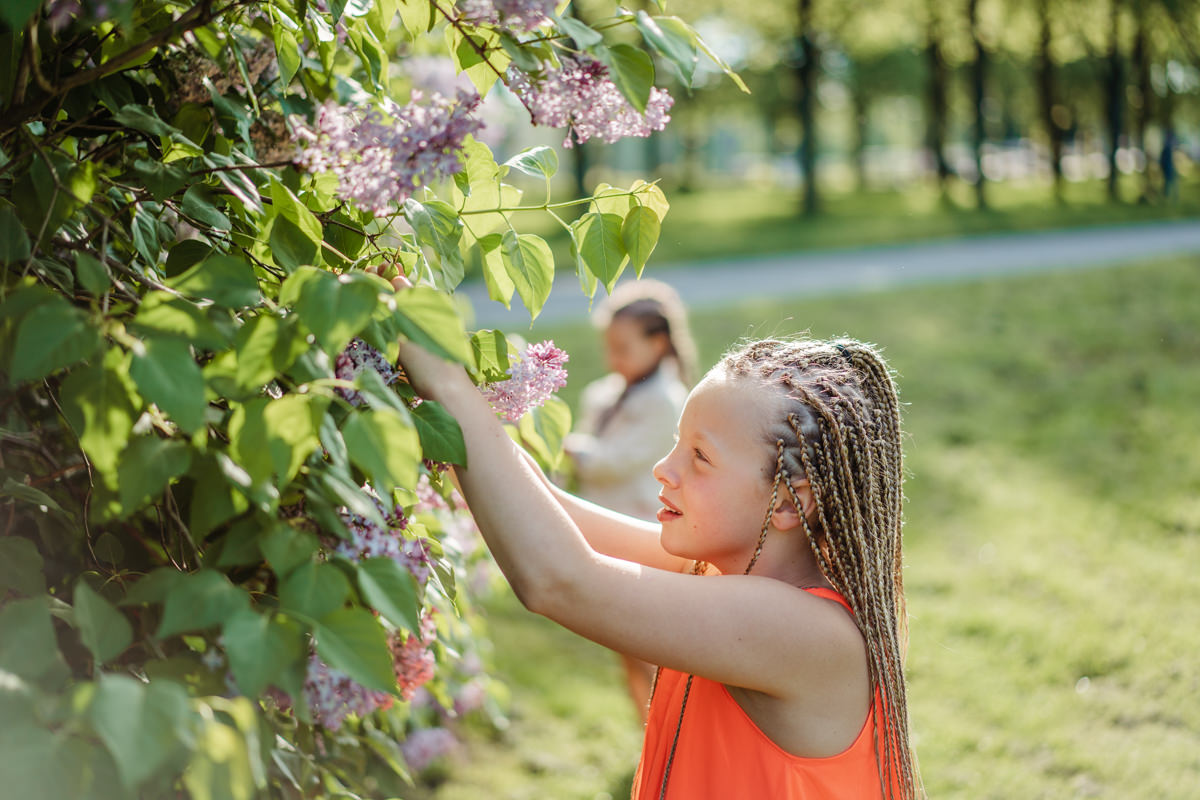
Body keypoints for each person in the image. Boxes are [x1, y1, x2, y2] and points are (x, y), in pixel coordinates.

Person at [393, 323, 922, 798]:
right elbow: (555, 515)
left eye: (700, 456)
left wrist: (447, 385)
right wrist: (438, 407)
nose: (664, 469)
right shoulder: (721, 571)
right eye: (676, 443)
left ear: (787, 502)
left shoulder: (804, 630)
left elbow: (559, 581)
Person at [563, 280, 696, 722]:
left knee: (650, 649)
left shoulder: (663, 402)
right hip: (608, 531)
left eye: (622, 348)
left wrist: (571, 449)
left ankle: (669, 728)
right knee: (625, 647)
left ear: (657, 344)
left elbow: (612, 463)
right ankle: (648, 730)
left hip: (639, 534)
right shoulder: (608, 393)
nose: (612, 359)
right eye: (609, 347)